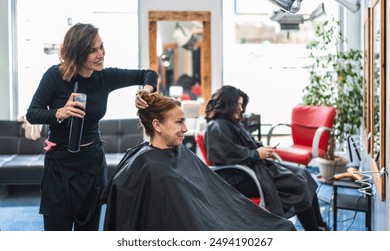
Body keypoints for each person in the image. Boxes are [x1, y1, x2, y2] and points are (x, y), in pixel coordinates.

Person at [25, 23, 158, 231]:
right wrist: (60, 112)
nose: (100, 54)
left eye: (101, 47)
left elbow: (149, 74)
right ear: (77, 53)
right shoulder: (55, 76)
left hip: (91, 164)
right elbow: (33, 114)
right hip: (60, 165)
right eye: (92, 50)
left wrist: (146, 90)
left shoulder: (105, 77)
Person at [103, 93, 296, 231]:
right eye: (179, 122)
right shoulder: (151, 167)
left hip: (211, 220)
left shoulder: (178, 152)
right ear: (157, 125)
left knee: (282, 227)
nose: (185, 128)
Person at [204, 85, 329, 231]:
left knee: (305, 175)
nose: (241, 108)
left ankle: (320, 226)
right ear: (228, 104)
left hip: (251, 168)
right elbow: (225, 154)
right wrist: (256, 154)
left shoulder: (230, 123)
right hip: (240, 178)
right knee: (299, 185)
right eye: (238, 104)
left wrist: (260, 149)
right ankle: (313, 230)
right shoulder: (217, 126)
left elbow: (243, 146)